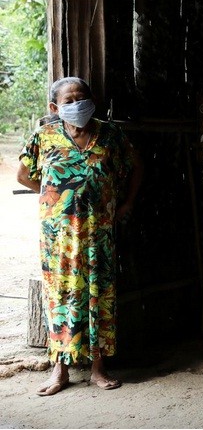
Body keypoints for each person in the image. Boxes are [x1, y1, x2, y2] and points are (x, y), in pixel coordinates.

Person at [17, 77, 142, 396]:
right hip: (58, 237)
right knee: (60, 298)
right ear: (54, 107)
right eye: (68, 101)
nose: (76, 105)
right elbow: (24, 175)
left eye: (82, 98)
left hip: (98, 234)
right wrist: (55, 200)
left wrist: (125, 203)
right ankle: (60, 371)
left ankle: (98, 369)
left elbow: (135, 167)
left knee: (98, 295)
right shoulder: (44, 135)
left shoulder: (110, 134)